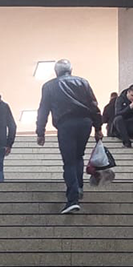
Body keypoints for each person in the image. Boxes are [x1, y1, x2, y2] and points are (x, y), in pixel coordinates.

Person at [35, 59, 103, 214]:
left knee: (69, 161)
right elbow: (94, 106)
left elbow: (43, 110)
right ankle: (78, 187)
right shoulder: (83, 82)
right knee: (78, 156)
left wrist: (41, 132)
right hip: (85, 122)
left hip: (66, 124)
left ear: (56, 71)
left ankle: (72, 199)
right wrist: (98, 128)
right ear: (70, 70)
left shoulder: (49, 86)